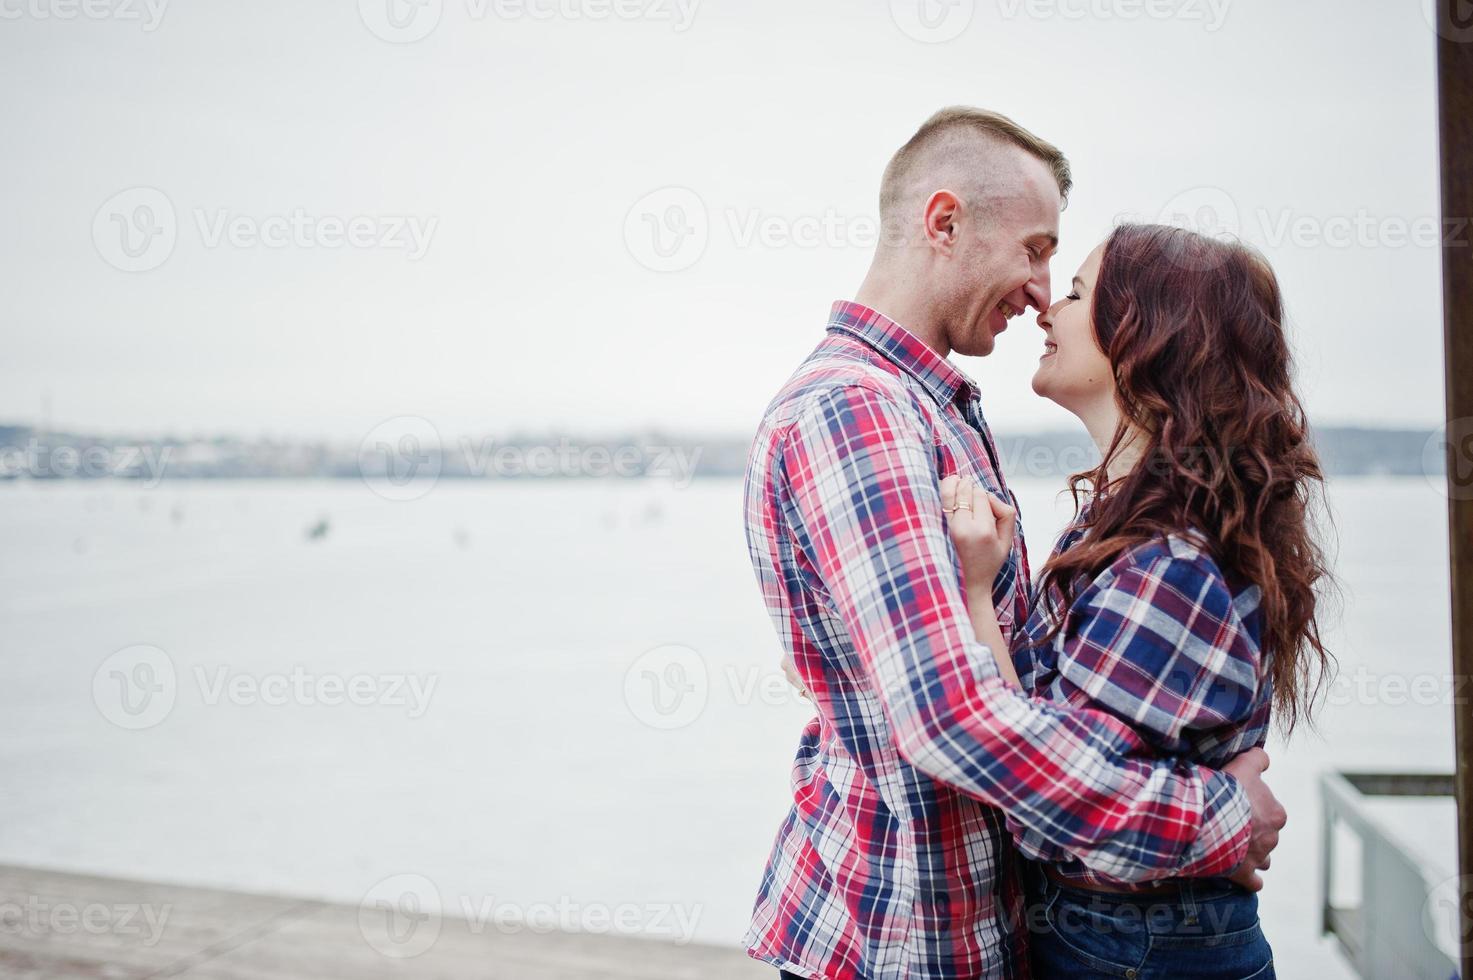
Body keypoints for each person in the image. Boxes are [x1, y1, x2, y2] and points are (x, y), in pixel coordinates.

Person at [742, 107, 1286, 980]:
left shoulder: (926, 409)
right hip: (905, 939)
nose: (1041, 291)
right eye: (1035, 250)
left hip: (974, 925)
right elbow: (949, 718)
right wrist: (1218, 819)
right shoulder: (861, 413)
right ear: (944, 221)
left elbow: (1003, 686)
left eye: (1059, 271)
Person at [943, 223, 1332, 978]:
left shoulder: (1167, 561)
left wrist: (973, 592)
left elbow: (1048, 794)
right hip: (1128, 931)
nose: (1046, 309)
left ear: (1147, 338)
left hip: (1131, 940)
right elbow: (1056, 734)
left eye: (1080, 292)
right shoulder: (1133, 527)